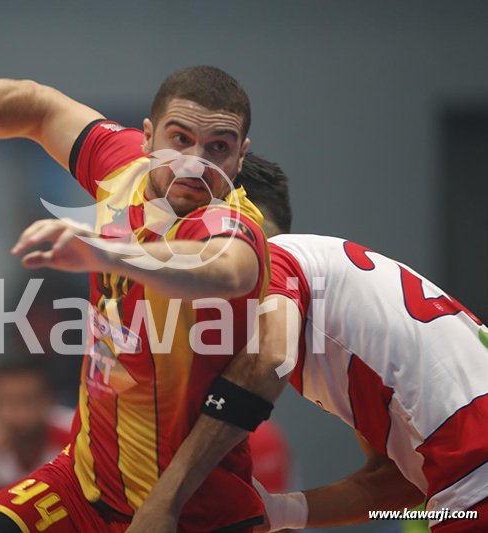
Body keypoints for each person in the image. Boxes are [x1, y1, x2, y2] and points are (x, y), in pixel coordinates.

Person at [0, 66, 271, 532]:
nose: (193, 163)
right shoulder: (121, 166)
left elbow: (226, 270)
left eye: (217, 147)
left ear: (240, 156)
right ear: (147, 137)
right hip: (84, 485)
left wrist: (111, 252)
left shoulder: (233, 223)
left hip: (190, 512)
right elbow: (38, 106)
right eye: (180, 139)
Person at [126, 154, 488, 533]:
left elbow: (270, 361)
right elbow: (398, 481)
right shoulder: (326, 297)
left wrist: (166, 499)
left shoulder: (273, 260)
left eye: (184, 235)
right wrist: (277, 513)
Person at [0, 355, 72, 501]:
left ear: (50, 400)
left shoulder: (75, 439)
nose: (15, 412)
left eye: (26, 401)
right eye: (4, 401)